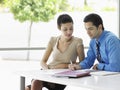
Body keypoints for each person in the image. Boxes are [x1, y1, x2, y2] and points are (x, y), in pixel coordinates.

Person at [25, 14, 85, 90]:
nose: (69, 32)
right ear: (59, 28)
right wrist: (48, 71)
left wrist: (64, 66)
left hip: (63, 75)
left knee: (30, 87)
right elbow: (43, 62)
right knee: (34, 83)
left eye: (71, 28)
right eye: (65, 29)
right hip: (49, 71)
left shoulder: (78, 41)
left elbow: (83, 64)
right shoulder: (53, 40)